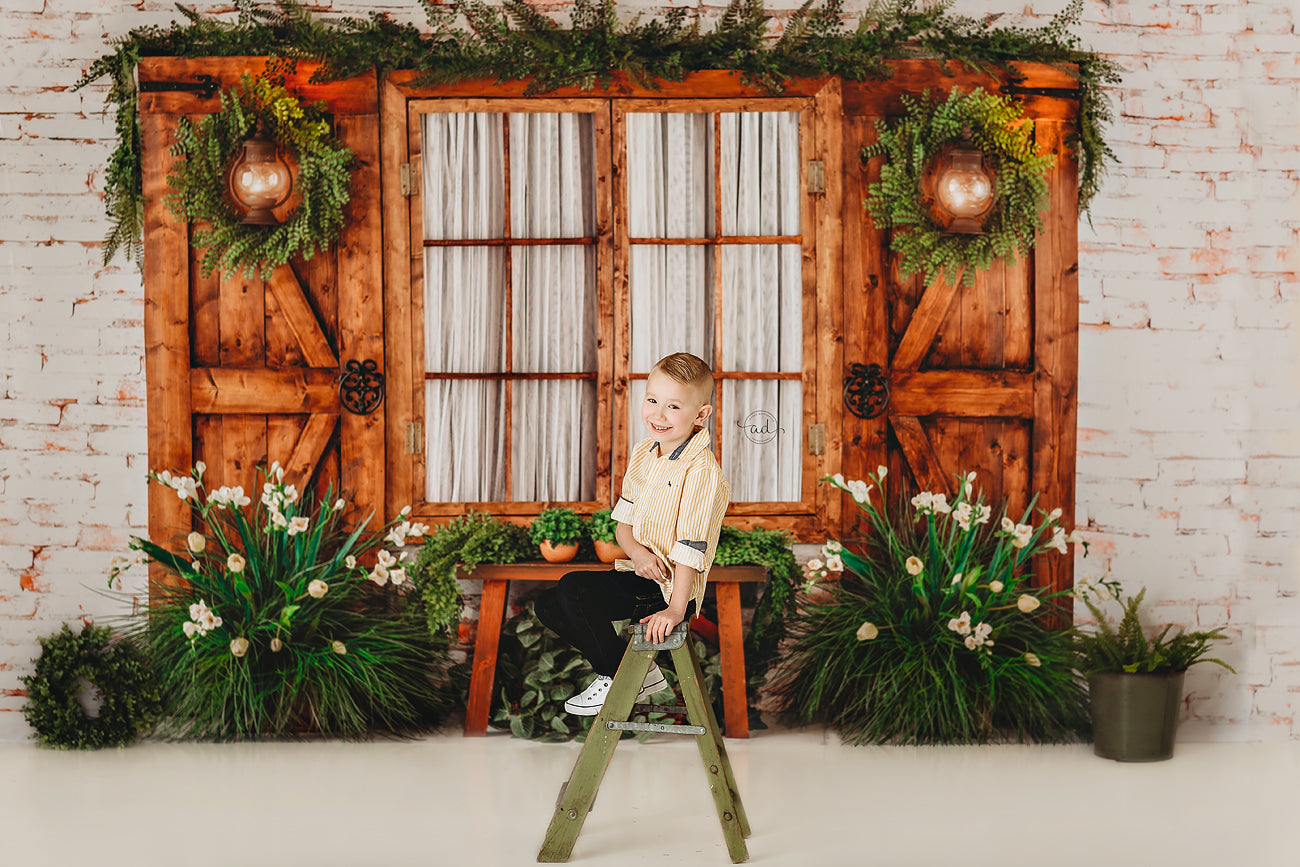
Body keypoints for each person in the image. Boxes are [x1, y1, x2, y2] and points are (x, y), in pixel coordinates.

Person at [534, 352, 732, 716]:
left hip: (671, 589)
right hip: (639, 573)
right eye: (652, 400)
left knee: (573, 588)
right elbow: (623, 525)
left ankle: (619, 677)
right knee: (546, 604)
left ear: (701, 414)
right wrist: (639, 555)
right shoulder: (644, 453)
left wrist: (675, 610)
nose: (658, 414)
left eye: (673, 406)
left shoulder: (702, 473)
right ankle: (635, 673)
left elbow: (690, 548)